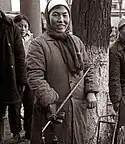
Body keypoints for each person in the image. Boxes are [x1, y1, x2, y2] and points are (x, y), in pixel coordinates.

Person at [26, 0, 99, 143]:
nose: (61, 20)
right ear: (47, 17)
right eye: (56, 15)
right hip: (52, 110)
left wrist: (90, 91)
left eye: (65, 15)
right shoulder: (38, 44)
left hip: (77, 109)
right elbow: (35, 76)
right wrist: (50, 100)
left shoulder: (76, 41)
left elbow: (88, 68)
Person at [0, 10, 27, 143]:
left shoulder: (11, 27)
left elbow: (19, 56)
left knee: (14, 106)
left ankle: (16, 134)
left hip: (10, 76)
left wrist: (22, 80)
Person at [13, 14, 34, 142]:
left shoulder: (33, 40)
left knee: (30, 105)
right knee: (15, 105)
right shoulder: (11, 38)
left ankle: (29, 131)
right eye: (20, 26)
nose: (23, 29)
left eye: (25, 26)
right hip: (16, 77)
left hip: (30, 77)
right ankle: (16, 132)